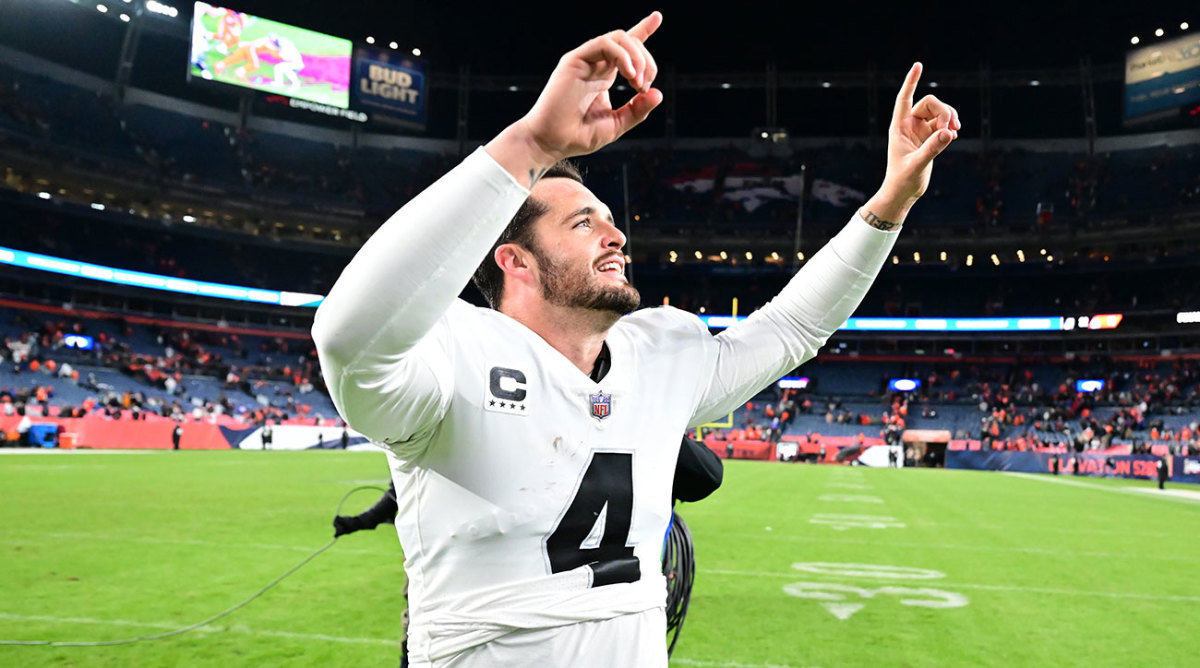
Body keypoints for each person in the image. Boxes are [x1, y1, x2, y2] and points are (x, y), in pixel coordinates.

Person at [312, 12, 958, 667]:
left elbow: (795, 326)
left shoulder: (660, 355)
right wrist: (531, 144)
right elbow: (346, 335)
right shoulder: (451, 358)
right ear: (516, 261)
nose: (615, 236)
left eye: (612, 221)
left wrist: (891, 201)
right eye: (584, 223)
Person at [334, 437, 723, 667]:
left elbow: (705, 474)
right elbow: (400, 494)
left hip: (569, 615)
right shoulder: (460, 414)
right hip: (469, 602)